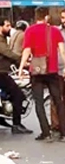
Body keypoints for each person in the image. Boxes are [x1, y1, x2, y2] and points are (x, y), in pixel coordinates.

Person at [18, 8, 65, 141]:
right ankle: (63, 132)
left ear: (35, 16)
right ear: (47, 17)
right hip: (53, 71)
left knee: (39, 102)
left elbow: (26, 51)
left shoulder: (30, 31)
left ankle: (46, 132)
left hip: (37, 70)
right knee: (58, 101)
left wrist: (21, 67)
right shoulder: (55, 31)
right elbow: (62, 51)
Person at [0, 18, 32, 134]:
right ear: (0, 27)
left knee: (13, 94)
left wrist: (23, 65)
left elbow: (7, 58)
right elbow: (9, 54)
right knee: (18, 95)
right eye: (7, 26)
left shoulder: (2, 39)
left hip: (1, 72)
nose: (9, 28)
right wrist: (24, 60)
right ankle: (16, 125)